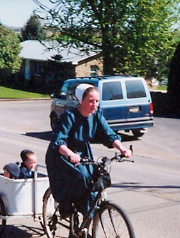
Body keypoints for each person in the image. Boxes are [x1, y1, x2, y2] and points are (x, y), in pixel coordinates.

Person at [45, 83, 132, 221]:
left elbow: (108, 134)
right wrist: (70, 153)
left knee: (96, 177)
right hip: (62, 154)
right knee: (82, 176)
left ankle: (88, 220)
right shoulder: (70, 116)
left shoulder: (97, 114)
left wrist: (122, 149)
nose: (94, 104)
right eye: (91, 101)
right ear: (82, 100)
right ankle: (67, 205)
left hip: (83, 152)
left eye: (97, 101)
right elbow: (58, 140)